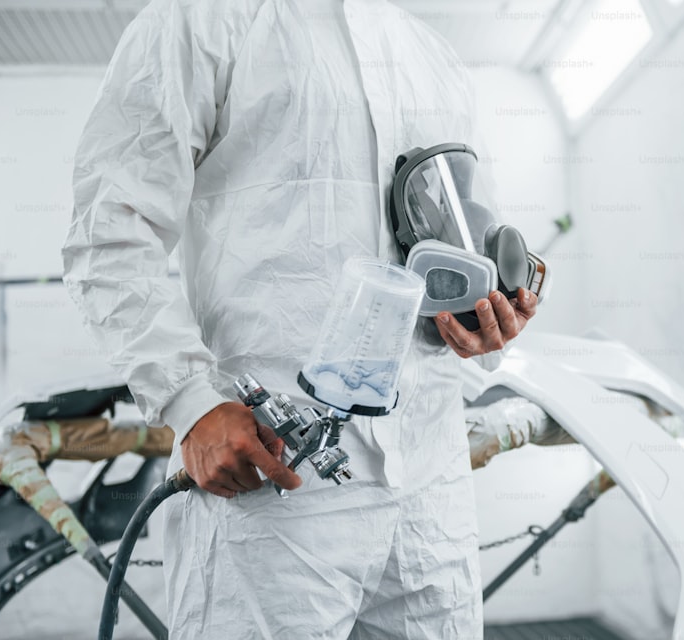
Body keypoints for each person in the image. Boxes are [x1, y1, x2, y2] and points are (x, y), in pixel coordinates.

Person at [61, 0, 536, 637]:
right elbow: (110, 229)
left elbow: (468, 232)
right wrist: (189, 403)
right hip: (270, 481)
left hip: (431, 481)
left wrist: (489, 316)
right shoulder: (200, 22)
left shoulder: (432, 55)